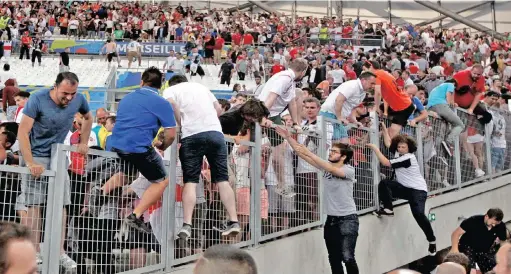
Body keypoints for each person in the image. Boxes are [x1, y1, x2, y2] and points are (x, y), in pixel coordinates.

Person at [18, 72, 92, 270]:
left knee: (61, 204)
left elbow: (88, 117)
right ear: (55, 87)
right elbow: (23, 132)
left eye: (73, 94)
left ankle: (59, 252)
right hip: (36, 155)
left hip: (59, 156)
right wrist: (29, 162)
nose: (69, 98)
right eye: (65, 93)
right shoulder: (37, 99)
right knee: (34, 205)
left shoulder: (79, 100)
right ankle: (33, 253)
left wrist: (84, 141)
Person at [163, 74, 240, 238]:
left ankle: (187, 224)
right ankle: (234, 221)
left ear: (172, 83)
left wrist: (180, 122)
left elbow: (170, 104)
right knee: (222, 180)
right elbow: (218, 109)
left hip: (192, 135)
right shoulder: (202, 87)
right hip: (215, 133)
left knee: (190, 182)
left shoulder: (170, 90)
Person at [275, 126, 360, 274]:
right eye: (331, 150)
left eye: (334, 152)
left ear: (343, 157)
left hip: (348, 219)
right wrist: (288, 137)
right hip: (331, 219)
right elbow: (302, 155)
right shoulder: (326, 167)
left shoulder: (348, 170)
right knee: (334, 257)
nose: (331, 153)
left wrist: (309, 152)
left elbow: (333, 170)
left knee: (347, 257)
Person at [104, 67, 177, 233]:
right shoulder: (162, 103)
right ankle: (135, 215)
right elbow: (171, 134)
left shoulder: (126, 98)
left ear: (142, 82)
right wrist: (163, 146)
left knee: (128, 173)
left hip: (118, 145)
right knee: (162, 181)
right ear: (161, 85)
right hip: (139, 148)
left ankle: (101, 192)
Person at [367, 129, 437, 256]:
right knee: (385, 183)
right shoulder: (398, 155)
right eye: (399, 147)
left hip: (418, 191)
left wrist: (374, 148)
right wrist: (383, 129)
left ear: (409, 148)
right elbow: (389, 144)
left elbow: (386, 162)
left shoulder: (408, 158)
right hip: (405, 189)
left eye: (403, 147)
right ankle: (388, 209)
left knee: (419, 215)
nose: (400, 149)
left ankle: (432, 241)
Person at [257, 58, 309, 196]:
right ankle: (281, 184)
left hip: (273, 113)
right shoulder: (284, 79)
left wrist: (296, 123)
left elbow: (292, 102)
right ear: (303, 72)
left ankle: (281, 184)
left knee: (298, 93)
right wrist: (262, 116)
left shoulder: (289, 80)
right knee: (278, 151)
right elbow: (271, 97)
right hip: (268, 113)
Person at [319, 71, 377, 143]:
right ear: (363, 80)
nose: (373, 86)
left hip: (339, 118)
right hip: (329, 114)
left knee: (344, 144)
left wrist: (354, 121)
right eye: (372, 83)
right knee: (331, 145)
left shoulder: (363, 93)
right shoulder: (352, 85)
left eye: (374, 84)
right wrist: (339, 117)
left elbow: (352, 108)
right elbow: (339, 100)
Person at [363, 60, 415, 139]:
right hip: (396, 104)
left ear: (371, 67)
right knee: (376, 110)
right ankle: (371, 136)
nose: (365, 73)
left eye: (365, 70)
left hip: (403, 107)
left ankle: (372, 137)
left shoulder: (377, 74)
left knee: (391, 135)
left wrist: (377, 107)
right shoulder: (384, 73)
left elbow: (377, 93)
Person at [450, 208, 508, 273]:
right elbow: (455, 234)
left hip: (483, 251)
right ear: (486, 216)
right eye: (492, 223)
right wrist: (455, 250)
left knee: (495, 269)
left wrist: (504, 256)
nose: (494, 225)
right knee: (472, 271)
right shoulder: (473, 220)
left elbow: (503, 242)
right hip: (467, 247)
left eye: (496, 224)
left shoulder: (500, 226)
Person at [427, 79, 464, 156]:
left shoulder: (437, 88)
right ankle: (448, 142)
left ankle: (439, 152)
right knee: (460, 125)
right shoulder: (450, 84)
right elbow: (448, 96)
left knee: (439, 132)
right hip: (441, 106)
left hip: (431, 109)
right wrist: (451, 104)